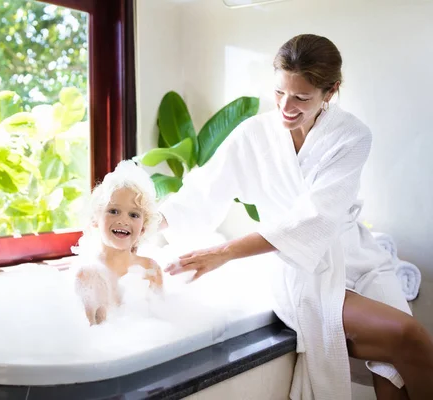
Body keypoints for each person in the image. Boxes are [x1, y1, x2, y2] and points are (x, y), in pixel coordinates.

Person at [159, 34, 433, 400]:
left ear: (330, 92)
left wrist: (224, 253)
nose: (286, 106)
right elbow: (201, 193)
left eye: (301, 97)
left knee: (400, 360)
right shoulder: (253, 134)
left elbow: (315, 217)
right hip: (300, 268)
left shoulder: (352, 136)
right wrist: (140, 223)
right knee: (407, 336)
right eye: (279, 93)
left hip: (361, 258)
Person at [74, 160, 163, 325]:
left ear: (143, 227)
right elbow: (90, 334)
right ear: (95, 219)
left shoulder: (151, 269)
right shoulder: (87, 275)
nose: (123, 220)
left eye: (134, 215)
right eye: (113, 211)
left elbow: (160, 323)